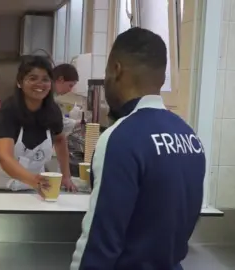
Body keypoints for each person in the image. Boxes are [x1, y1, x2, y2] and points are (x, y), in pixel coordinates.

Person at [70, 27, 205, 270]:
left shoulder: (122, 137)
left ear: (116, 70)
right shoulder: (189, 137)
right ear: (162, 78)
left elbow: (100, 240)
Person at [0, 55, 76, 194]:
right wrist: (34, 181)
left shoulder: (53, 111)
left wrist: (66, 176)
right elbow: (5, 157)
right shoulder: (7, 112)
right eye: (32, 78)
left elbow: (60, 140)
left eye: (45, 79)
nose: (40, 84)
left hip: (31, 189)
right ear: (19, 82)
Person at [53, 63, 81, 134]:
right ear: (60, 79)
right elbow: (59, 124)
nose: (70, 90)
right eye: (70, 85)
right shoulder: (44, 97)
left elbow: (60, 121)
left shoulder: (52, 97)